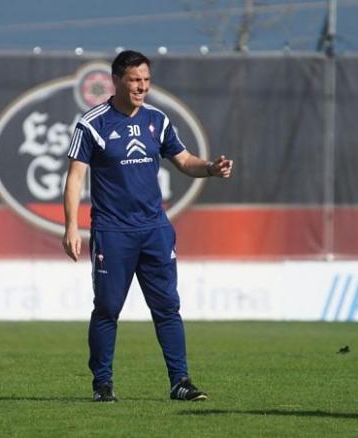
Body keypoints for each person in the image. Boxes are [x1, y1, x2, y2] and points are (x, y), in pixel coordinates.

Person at [62, 50, 233, 402]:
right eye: (135, 80)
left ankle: (180, 382)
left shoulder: (158, 120)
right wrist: (70, 227)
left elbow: (185, 161)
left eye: (146, 81)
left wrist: (211, 169)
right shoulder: (93, 123)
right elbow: (75, 178)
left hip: (155, 230)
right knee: (108, 309)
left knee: (167, 307)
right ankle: (102, 384)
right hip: (113, 232)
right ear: (117, 80)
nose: (142, 87)